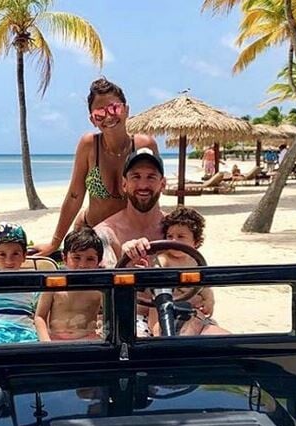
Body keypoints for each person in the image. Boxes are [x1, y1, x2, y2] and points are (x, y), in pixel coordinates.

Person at [34, 78, 158, 256]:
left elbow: (153, 192)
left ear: (126, 110)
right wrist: (55, 243)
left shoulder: (144, 145)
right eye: (99, 113)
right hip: (91, 236)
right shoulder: (89, 145)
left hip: (130, 237)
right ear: (93, 119)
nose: (108, 116)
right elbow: (75, 195)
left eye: (114, 108)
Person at [148, 207, 229, 336]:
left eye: (181, 237)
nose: (174, 241)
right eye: (170, 236)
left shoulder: (196, 261)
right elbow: (157, 284)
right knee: (173, 330)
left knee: (223, 336)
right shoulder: (163, 260)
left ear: (195, 242)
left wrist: (209, 301)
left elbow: (205, 289)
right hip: (165, 313)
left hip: (193, 315)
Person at [95, 147, 166, 267]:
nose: (143, 185)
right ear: (124, 184)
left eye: (151, 177)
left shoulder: (176, 229)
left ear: (163, 184)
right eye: (136, 177)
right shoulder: (106, 233)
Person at [34, 228, 104, 341]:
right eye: (76, 258)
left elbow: (111, 315)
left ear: (98, 262)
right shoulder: (54, 284)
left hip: (87, 340)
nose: (82, 265)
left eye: (90, 259)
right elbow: (40, 316)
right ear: (64, 258)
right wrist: (46, 343)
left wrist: (102, 332)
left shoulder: (99, 289)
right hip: (54, 340)